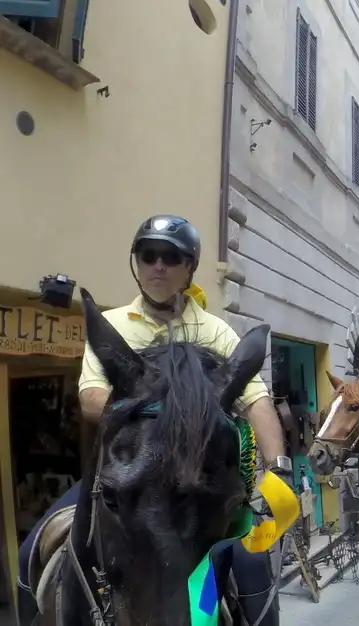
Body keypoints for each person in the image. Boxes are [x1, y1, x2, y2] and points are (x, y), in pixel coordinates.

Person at [17, 215, 289, 626]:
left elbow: (257, 402)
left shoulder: (215, 331)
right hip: (127, 475)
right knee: (31, 550)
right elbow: (92, 398)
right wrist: (166, 410)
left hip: (199, 487)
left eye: (171, 256)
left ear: (189, 268)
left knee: (253, 569)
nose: (158, 265)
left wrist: (277, 471)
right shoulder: (112, 327)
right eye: (148, 255)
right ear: (137, 264)